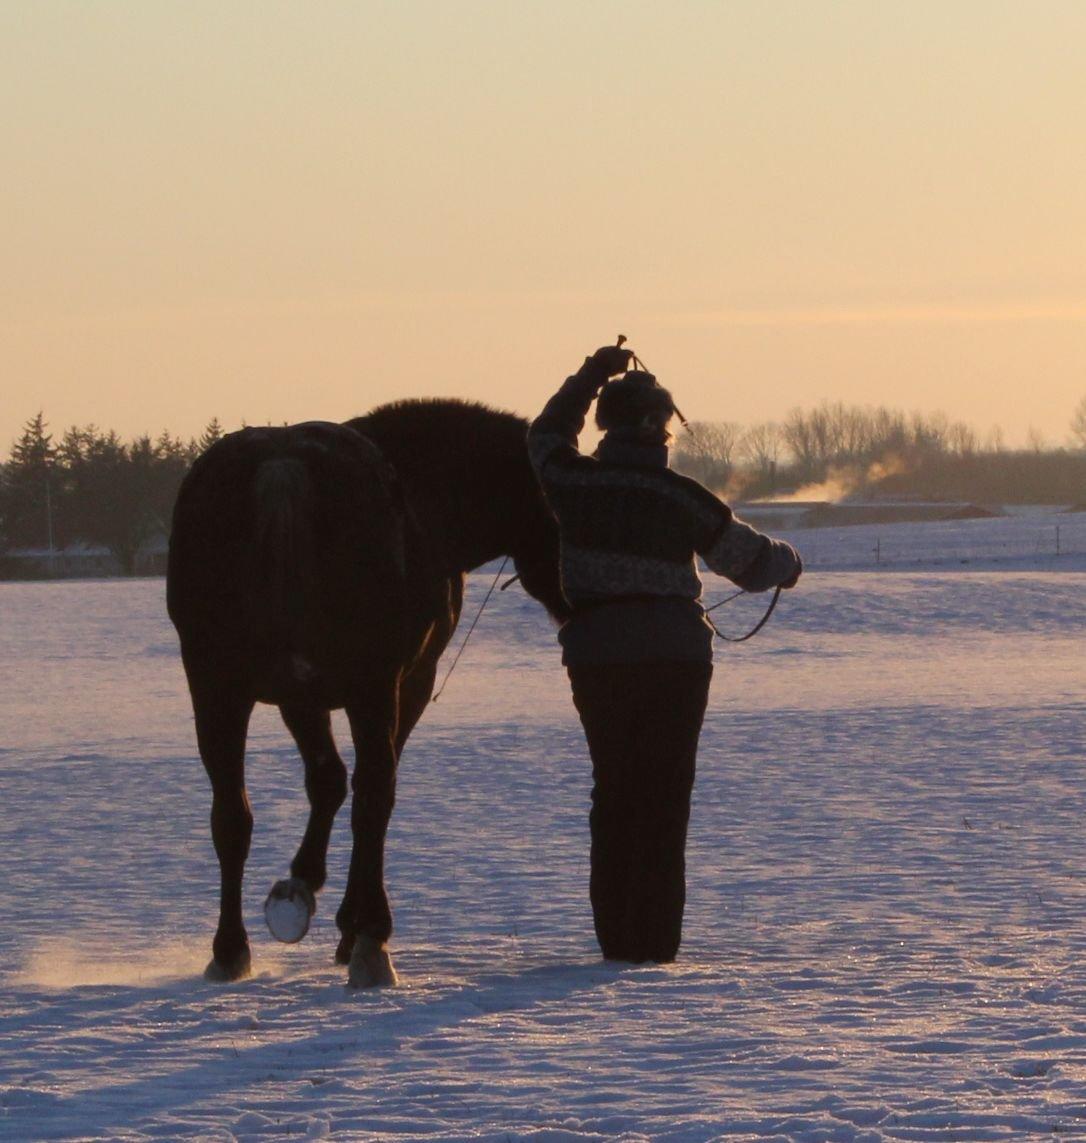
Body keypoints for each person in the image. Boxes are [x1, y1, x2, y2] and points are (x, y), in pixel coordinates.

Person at [527, 344, 802, 964]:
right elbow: (751, 564)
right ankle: (655, 945)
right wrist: (789, 563)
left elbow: (545, 434)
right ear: (657, 426)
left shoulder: (571, 481)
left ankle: (617, 940)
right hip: (677, 662)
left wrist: (592, 373)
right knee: (665, 794)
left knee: (614, 790)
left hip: (597, 657)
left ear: (607, 423)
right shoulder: (683, 497)